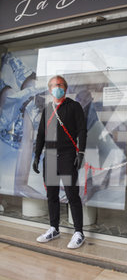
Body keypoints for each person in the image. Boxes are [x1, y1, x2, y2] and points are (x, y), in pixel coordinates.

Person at [33, 75, 87, 249]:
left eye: (61, 85)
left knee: (72, 194)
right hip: (49, 157)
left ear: (66, 87)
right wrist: (36, 156)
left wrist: (81, 152)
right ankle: (54, 228)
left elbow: (82, 130)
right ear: (49, 89)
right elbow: (41, 134)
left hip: (67, 155)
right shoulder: (47, 109)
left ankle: (79, 232)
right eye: (55, 85)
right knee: (52, 195)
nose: (58, 87)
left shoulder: (74, 106)